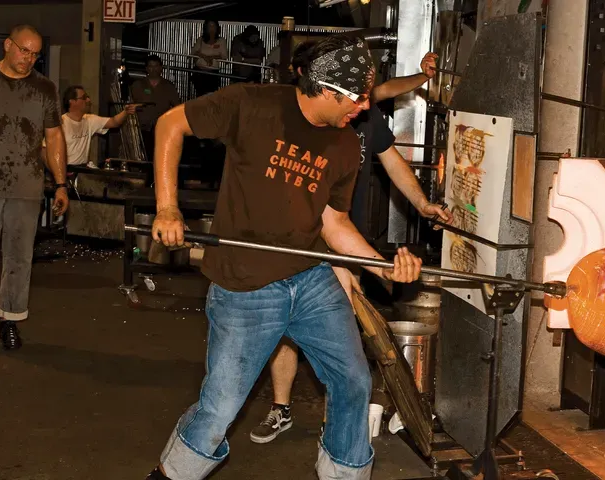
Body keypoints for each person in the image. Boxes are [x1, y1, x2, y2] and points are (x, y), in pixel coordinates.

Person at [145, 34, 422, 480]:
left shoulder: (347, 144)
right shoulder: (252, 105)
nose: (366, 108)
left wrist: (382, 265)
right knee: (220, 409)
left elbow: (333, 224)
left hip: (311, 277)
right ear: (328, 92)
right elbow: (169, 125)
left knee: (353, 382)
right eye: (358, 98)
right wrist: (167, 207)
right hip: (245, 286)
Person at [249, 47, 450, 445]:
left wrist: (423, 203)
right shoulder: (304, 116)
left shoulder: (363, 109)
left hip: (344, 237)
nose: (359, 103)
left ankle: (340, 426)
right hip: (298, 242)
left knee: (344, 329)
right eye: (354, 93)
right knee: (287, 328)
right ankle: (282, 407)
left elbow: (391, 159)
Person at [0, 24, 69, 350]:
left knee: (19, 258)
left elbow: (54, 137)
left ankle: (9, 319)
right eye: (24, 50)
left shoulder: (45, 88)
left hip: (25, 183)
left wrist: (60, 184)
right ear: (8, 46)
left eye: (35, 53)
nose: (29, 58)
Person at [57, 85, 139, 167]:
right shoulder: (60, 123)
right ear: (72, 102)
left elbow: (114, 122)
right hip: (66, 169)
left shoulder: (89, 120)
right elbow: (46, 151)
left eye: (88, 97)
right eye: (84, 98)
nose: (88, 100)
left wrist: (125, 112)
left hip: (82, 169)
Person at [130, 55, 181, 163]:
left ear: (161, 68)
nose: (153, 69)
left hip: (162, 129)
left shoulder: (168, 86)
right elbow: (130, 104)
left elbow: (177, 107)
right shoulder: (138, 85)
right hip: (141, 129)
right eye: (151, 66)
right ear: (146, 68)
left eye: (156, 66)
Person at [190, 19, 227, 97]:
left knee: (211, 97)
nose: (212, 28)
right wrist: (204, 56)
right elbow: (193, 52)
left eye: (213, 26)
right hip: (200, 72)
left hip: (212, 74)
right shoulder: (201, 39)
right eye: (209, 26)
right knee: (200, 96)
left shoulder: (221, 41)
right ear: (206, 28)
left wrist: (212, 57)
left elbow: (224, 56)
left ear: (217, 28)